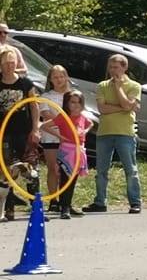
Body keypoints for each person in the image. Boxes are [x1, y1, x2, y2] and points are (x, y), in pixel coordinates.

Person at [85, 52, 143, 215]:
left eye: (116, 67)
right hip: (104, 133)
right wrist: (124, 108)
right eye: (110, 67)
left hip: (125, 133)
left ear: (124, 68)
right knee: (101, 169)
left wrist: (118, 88)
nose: (112, 70)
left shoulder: (134, 86)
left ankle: (135, 202)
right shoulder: (102, 86)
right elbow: (102, 109)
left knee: (130, 169)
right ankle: (100, 201)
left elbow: (128, 103)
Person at [0, 50, 37, 223]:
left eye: (12, 62)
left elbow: (34, 106)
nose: (9, 65)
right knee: (8, 170)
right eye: (6, 62)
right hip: (4, 132)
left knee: (30, 168)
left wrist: (35, 129)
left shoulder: (25, 83)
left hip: (23, 131)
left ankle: (36, 206)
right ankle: (9, 209)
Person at [37, 64, 78, 202]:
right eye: (55, 77)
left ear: (66, 77)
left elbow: (78, 115)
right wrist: (62, 123)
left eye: (61, 76)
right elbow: (47, 115)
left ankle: (65, 201)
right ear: (50, 80)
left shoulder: (73, 95)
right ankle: (53, 200)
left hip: (69, 138)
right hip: (51, 136)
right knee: (52, 168)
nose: (59, 80)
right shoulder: (46, 96)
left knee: (67, 170)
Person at [52, 90, 90, 219]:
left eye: (79, 102)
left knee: (72, 180)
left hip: (79, 151)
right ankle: (64, 208)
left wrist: (85, 130)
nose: (76, 105)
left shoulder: (83, 117)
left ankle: (68, 205)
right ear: (67, 103)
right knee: (65, 179)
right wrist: (60, 136)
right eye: (73, 102)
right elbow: (44, 126)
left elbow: (91, 123)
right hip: (67, 151)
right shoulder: (63, 117)